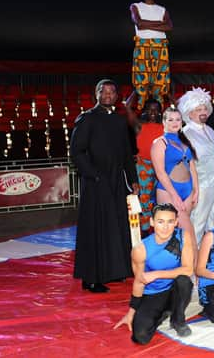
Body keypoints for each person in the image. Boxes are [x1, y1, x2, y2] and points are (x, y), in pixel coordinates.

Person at [71, 79, 139, 293]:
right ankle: (91, 278)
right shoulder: (87, 119)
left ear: (117, 96)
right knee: (96, 227)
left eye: (112, 91)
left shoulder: (119, 121)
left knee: (116, 225)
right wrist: (94, 175)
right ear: (96, 94)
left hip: (117, 181)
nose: (108, 95)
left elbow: (127, 153)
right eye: (104, 91)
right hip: (96, 182)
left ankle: (114, 270)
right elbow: (77, 152)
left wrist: (133, 178)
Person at [113, 203, 194, 343]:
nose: (165, 227)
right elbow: (139, 281)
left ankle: (177, 320)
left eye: (170, 222)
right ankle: (163, 312)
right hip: (153, 294)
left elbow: (188, 269)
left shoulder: (183, 236)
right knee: (141, 337)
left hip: (174, 288)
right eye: (160, 222)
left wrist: (157, 274)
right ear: (152, 222)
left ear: (176, 222)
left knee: (184, 281)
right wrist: (132, 312)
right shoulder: (140, 249)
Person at [151, 107, 199, 268]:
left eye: (177, 119)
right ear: (163, 122)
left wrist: (195, 190)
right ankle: (194, 276)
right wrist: (175, 196)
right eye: (170, 119)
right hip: (168, 192)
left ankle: (181, 272)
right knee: (188, 235)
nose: (174, 123)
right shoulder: (160, 143)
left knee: (180, 236)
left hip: (187, 190)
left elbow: (192, 167)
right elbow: (161, 173)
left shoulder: (185, 142)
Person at [178, 87, 214, 244]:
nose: (203, 111)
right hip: (201, 186)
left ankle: (210, 259)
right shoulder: (185, 133)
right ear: (189, 113)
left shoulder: (210, 130)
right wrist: (193, 189)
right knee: (197, 224)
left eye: (204, 108)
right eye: (198, 109)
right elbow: (185, 164)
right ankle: (192, 262)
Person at [130, 0, 173, 110]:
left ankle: (159, 109)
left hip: (160, 45)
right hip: (143, 44)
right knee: (142, 80)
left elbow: (169, 26)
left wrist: (146, 24)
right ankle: (141, 109)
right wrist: (160, 24)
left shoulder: (162, 9)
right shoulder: (135, 6)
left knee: (160, 82)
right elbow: (139, 23)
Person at [126, 98, 164, 235]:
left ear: (160, 111)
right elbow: (128, 107)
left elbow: (181, 115)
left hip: (162, 166)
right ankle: (145, 230)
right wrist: (137, 88)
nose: (153, 112)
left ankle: (161, 229)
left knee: (162, 198)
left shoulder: (166, 126)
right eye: (149, 109)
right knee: (144, 199)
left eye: (156, 109)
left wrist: (171, 97)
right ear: (145, 111)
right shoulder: (139, 126)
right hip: (144, 166)